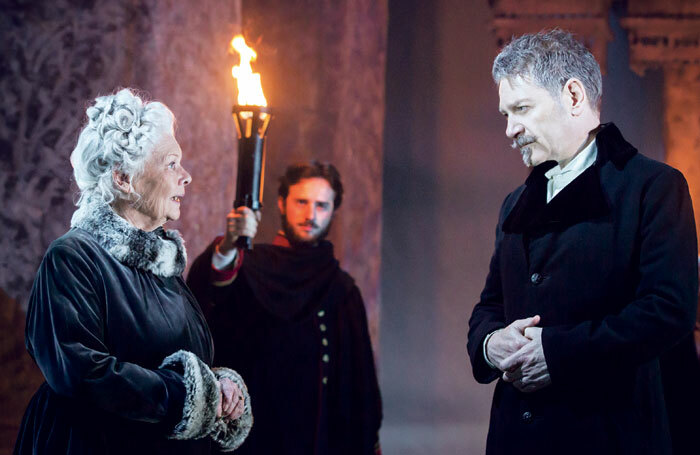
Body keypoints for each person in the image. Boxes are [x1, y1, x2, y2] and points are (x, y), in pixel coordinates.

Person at [467, 30, 698, 455]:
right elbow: (490, 306)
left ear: (573, 96)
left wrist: (557, 352)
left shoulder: (655, 187)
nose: (509, 129)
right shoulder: (514, 203)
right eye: (505, 114)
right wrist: (490, 343)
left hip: (611, 434)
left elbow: (669, 310)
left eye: (520, 109)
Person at [14, 88, 252, 455]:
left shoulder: (162, 262)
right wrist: (191, 396)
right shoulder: (72, 257)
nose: (185, 176)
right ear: (124, 178)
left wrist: (219, 388)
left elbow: (178, 356)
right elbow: (82, 373)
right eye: (171, 163)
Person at [187, 162, 382, 455]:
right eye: (301, 202)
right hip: (254, 437)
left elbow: (360, 387)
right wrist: (229, 244)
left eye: (321, 205)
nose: (310, 215)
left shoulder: (342, 291)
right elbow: (210, 289)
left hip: (318, 442)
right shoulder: (251, 268)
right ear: (282, 203)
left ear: (333, 210)